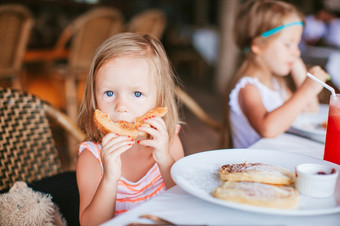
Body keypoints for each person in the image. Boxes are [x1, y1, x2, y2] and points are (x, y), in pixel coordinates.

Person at [76, 32, 184, 225]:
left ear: (159, 99)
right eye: (109, 93)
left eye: (137, 93)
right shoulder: (91, 158)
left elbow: (187, 203)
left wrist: (165, 161)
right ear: (94, 99)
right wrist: (110, 178)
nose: (121, 106)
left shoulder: (170, 142)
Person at [227, 0, 329, 148]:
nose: (297, 51)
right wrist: (307, 90)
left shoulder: (277, 84)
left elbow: (310, 110)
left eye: (297, 45)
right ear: (258, 46)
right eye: (288, 44)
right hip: (252, 166)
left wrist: (297, 64)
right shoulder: (248, 88)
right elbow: (268, 129)